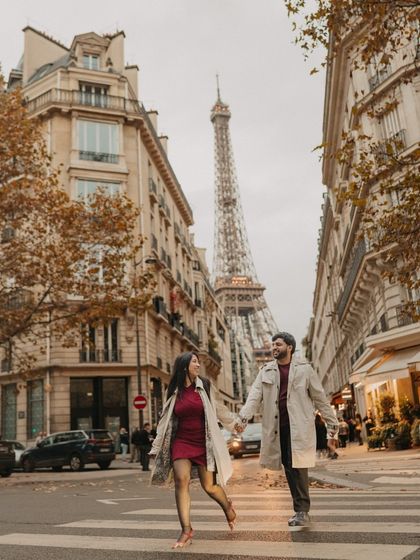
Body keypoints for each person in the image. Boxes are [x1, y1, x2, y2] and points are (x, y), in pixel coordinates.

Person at [238, 332, 338, 527]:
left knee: (298, 467)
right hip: (277, 429)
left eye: (278, 344)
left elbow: (319, 398)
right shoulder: (265, 371)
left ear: (289, 347)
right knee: (289, 468)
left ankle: (302, 510)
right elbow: (254, 397)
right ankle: (300, 509)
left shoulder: (305, 370)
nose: (274, 347)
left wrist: (332, 426)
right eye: (273, 345)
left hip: (299, 428)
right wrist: (243, 418)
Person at [149, 351, 241, 548]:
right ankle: (186, 530)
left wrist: (235, 425)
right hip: (181, 441)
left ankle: (228, 507)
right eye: (195, 362)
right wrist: (156, 445)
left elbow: (218, 408)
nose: (198, 365)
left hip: (203, 443)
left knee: (210, 487)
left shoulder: (205, 385)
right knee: (181, 480)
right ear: (184, 367)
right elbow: (165, 419)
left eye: (198, 362)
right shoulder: (174, 390)